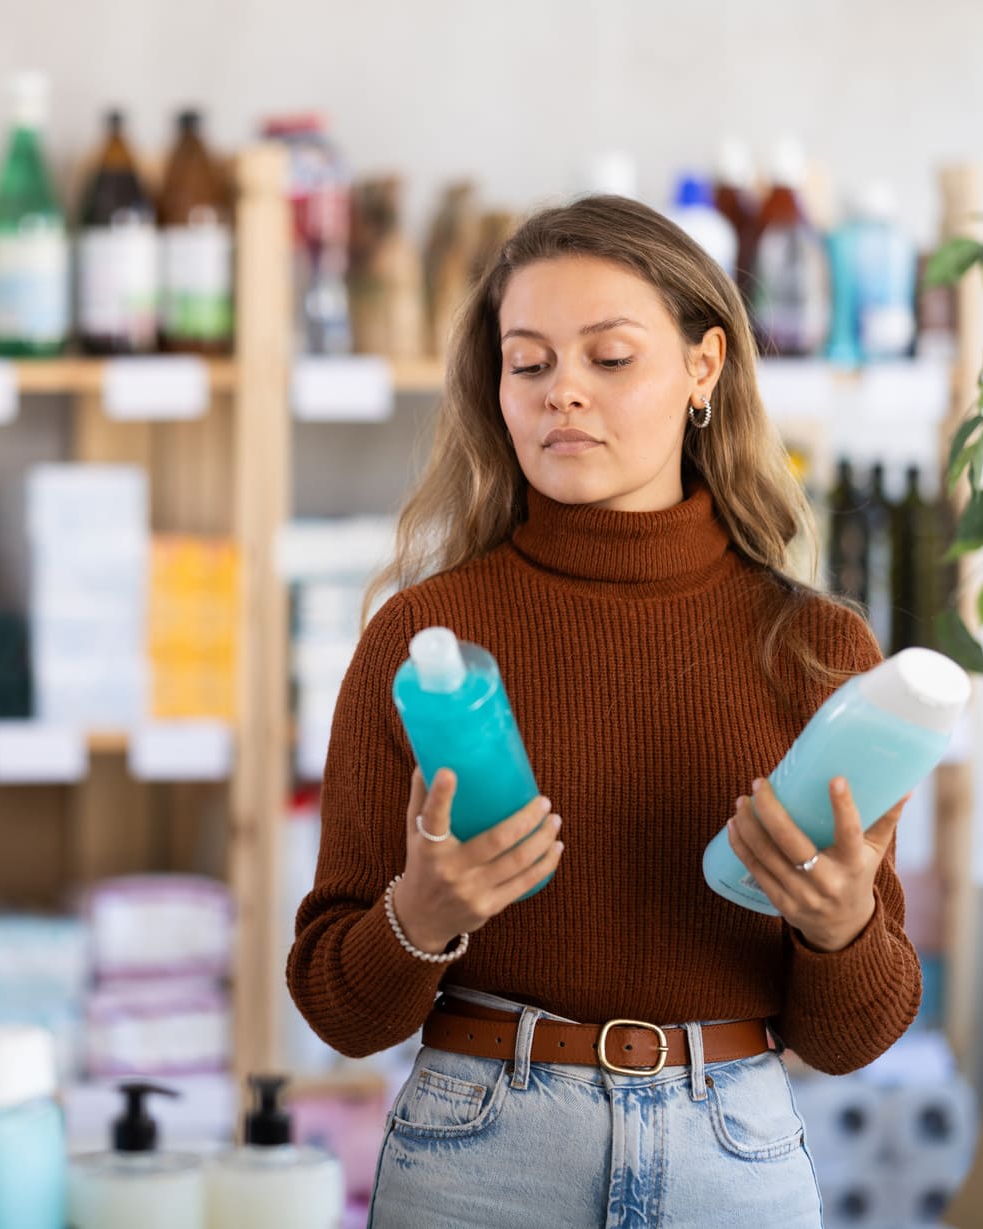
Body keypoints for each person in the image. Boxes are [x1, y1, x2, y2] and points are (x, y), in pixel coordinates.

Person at [286, 194, 921, 1228]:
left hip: (736, 1153)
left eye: (608, 358)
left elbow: (850, 1039)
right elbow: (336, 1007)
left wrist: (839, 926)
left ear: (701, 367)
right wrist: (420, 918)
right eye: (527, 363)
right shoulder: (424, 639)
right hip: (479, 1154)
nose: (560, 393)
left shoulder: (816, 650)